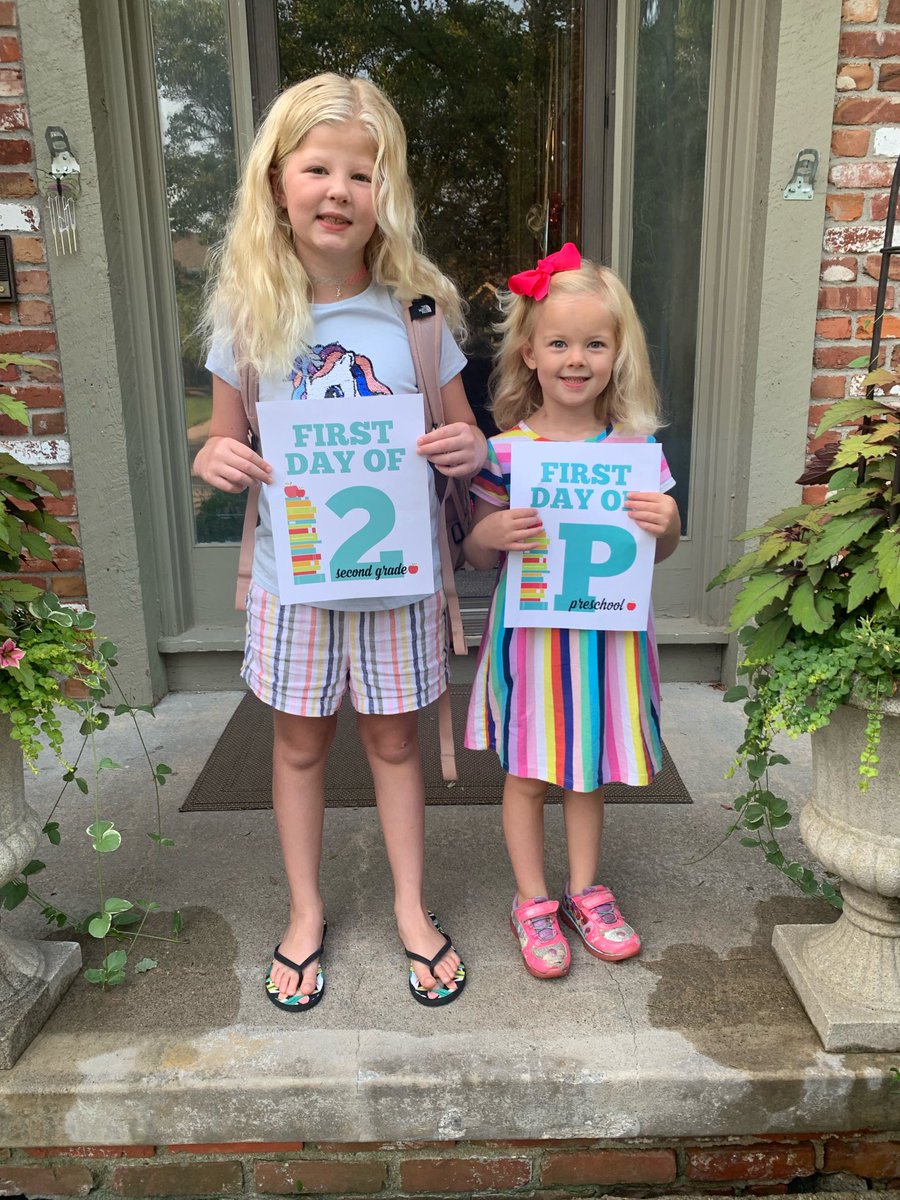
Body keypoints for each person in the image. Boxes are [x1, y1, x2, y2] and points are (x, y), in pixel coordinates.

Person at [194, 73, 486, 1011]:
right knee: (298, 747)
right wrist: (216, 462)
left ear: (383, 193)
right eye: (317, 168)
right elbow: (223, 437)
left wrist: (465, 445)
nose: (338, 191)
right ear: (277, 182)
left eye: (361, 174)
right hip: (296, 580)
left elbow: (464, 436)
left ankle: (409, 903)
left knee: (397, 745)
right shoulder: (246, 313)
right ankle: (306, 910)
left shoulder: (418, 310)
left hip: (396, 579)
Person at [463, 244, 680, 980]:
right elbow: (477, 552)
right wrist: (489, 533)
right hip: (532, 640)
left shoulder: (636, 451)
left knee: (585, 773)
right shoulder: (504, 453)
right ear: (530, 352)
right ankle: (532, 900)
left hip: (605, 643)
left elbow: (663, 549)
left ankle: (587, 890)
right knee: (527, 772)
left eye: (594, 343)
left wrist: (668, 520)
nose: (576, 359)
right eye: (559, 343)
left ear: (618, 353)